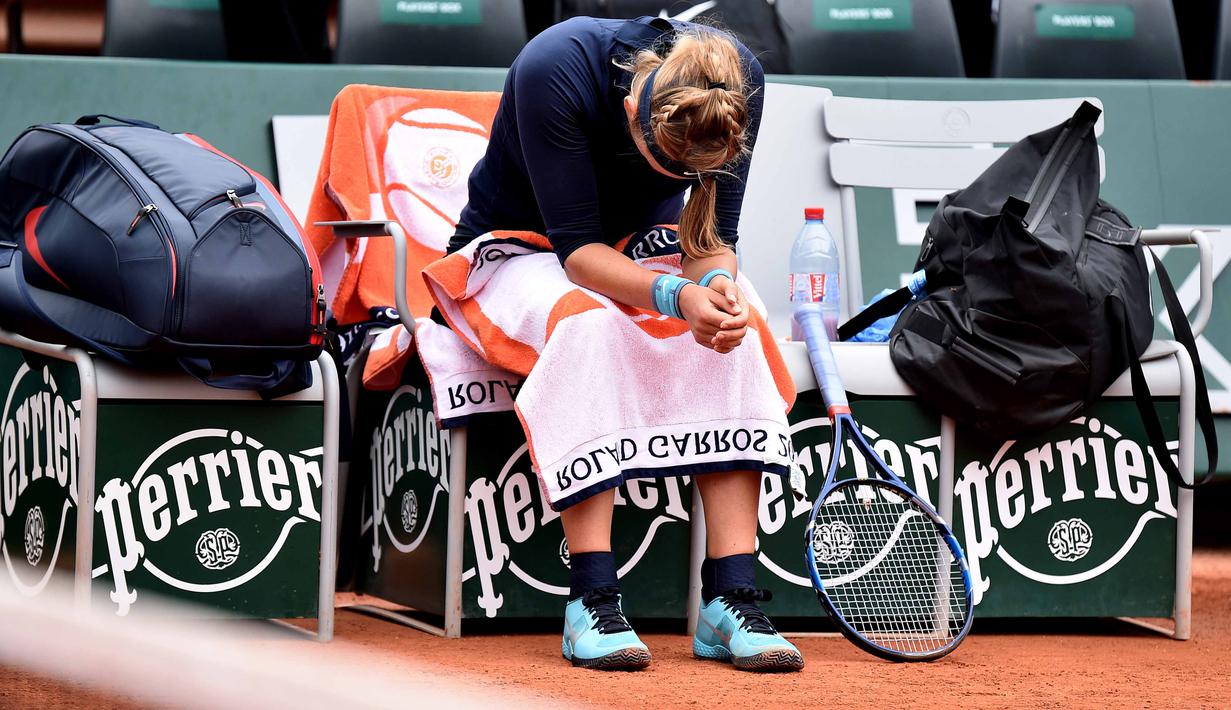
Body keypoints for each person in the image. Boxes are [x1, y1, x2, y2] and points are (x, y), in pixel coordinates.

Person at [435, 15, 802, 672]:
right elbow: (578, 254)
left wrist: (714, 287)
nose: (675, 179)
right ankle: (591, 598)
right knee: (589, 324)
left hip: (642, 248)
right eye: (665, 165)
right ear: (632, 108)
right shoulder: (556, 66)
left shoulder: (737, 80)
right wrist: (676, 297)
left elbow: (711, 240)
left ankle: (731, 597)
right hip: (517, 248)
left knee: (739, 319)